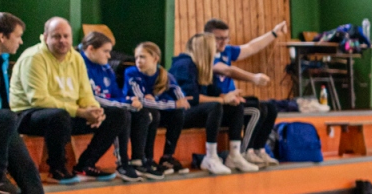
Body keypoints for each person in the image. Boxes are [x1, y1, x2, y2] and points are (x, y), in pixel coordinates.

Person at [0, 13, 72, 194]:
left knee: (28, 170)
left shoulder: (1, 59)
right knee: (7, 117)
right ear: (2, 36)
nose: (21, 41)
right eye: (17, 36)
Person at [9, 17, 126, 182]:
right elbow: (39, 100)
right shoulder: (34, 58)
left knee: (118, 115)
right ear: (45, 37)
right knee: (58, 115)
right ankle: (56, 170)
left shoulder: (76, 58)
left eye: (66, 36)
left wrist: (94, 110)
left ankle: (85, 166)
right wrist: (80, 112)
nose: (62, 40)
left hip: (66, 115)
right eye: (56, 36)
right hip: (28, 114)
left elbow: (85, 93)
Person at [205, 18, 284, 167]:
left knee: (270, 108)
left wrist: (273, 33)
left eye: (226, 38)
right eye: (218, 38)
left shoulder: (226, 50)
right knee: (255, 111)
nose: (223, 42)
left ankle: (258, 149)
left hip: (234, 100)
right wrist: (253, 77)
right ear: (207, 38)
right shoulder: (205, 56)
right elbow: (227, 70)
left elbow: (251, 47)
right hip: (220, 104)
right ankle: (244, 152)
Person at [170, 33, 248, 175]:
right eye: (214, 48)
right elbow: (190, 98)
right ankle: (210, 156)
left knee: (235, 107)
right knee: (216, 106)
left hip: (197, 111)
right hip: (179, 114)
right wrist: (222, 100)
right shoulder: (184, 65)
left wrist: (228, 97)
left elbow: (213, 91)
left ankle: (234, 154)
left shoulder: (202, 65)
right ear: (205, 49)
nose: (217, 51)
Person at [79, 31, 145, 182]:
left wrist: (129, 100)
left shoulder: (106, 68)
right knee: (121, 114)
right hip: (85, 111)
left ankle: (140, 161)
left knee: (144, 113)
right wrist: (126, 104)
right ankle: (122, 162)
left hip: (106, 107)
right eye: (106, 51)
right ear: (90, 49)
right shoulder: (80, 65)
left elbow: (116, 94)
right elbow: (92, 98)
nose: (109, 56)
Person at [124, 42, 189, 176]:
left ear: (155, 58)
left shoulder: (166, 76)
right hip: (134, 111)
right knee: (151, 113)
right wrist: (171, 104)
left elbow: (182, 102)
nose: (138, 61)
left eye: (142, 57)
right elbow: (141, 102)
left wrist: (159, 101)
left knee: (178, 113)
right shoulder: (131, 73)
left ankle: (167, 157)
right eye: (136, 58)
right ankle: (146, 159)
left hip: (156, 109)